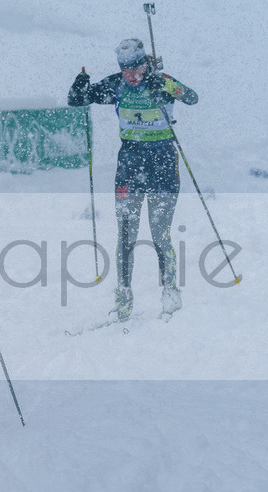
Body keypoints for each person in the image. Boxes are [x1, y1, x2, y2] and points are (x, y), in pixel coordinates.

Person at [68, 38, 198, 321]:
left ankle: (170, 296)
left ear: (144, 64)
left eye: (134, 68)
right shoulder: (118, 84)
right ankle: (124, 299)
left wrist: (165, 87)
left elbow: (190, 96)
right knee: (126, 234)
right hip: (129, 165)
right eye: (124, 68)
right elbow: (82, 98)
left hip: (162, 164)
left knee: (160, 234)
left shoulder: (161, 81)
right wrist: (78, 89)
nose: (130, 74)